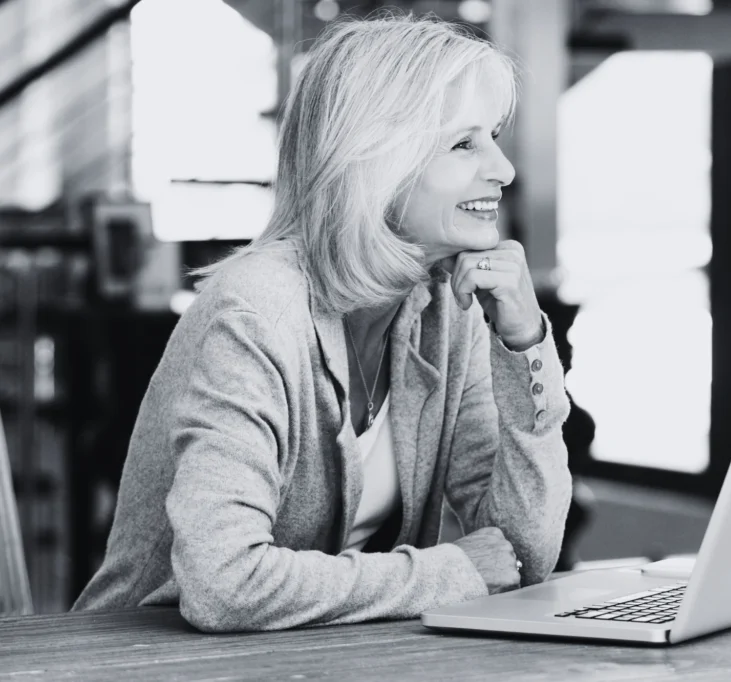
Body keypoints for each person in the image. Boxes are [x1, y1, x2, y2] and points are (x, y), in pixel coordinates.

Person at [72, 13, 572, 632]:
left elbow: (521, 552)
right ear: (374, 161)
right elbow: (224, 585)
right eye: (464, 143)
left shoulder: (451, 303)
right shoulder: (255, 311)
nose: (504, 168)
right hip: (144, 665)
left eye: (493, 136)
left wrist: (525, 343)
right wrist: (452, 573)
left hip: (320, 661)